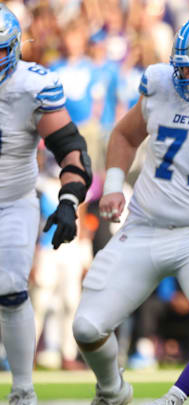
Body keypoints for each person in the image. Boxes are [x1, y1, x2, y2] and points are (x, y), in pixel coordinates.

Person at [72, 16, 189, 405]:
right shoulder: (161, 84)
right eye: (181, 64)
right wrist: (114, 185)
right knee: (86, 327)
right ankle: (113, 390)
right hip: (145, 225)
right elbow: (124, 134)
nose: (185, 74)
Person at [0, 5, 93, 405]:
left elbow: (71, 149)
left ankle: (22, 389)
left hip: (12, 201)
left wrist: (69, 200)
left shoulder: (31, 85)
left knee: (10, 287)